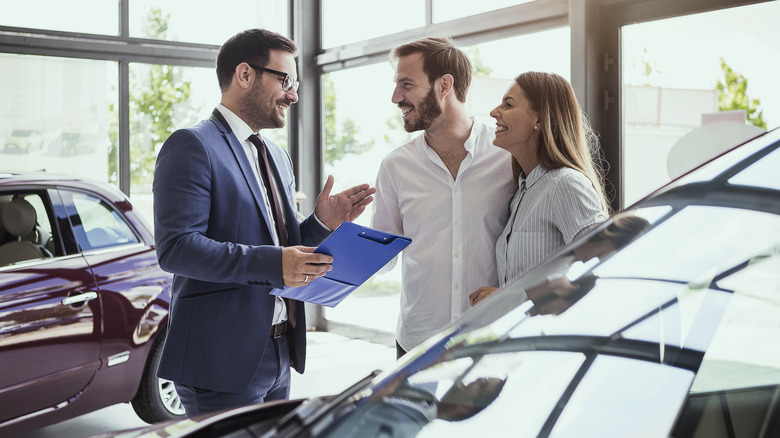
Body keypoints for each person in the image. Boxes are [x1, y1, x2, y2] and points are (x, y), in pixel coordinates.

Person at [152, 28, 376, 416]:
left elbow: (280, 244)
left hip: (278, 350)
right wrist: (275, 264)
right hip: (221, 359)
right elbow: (177, 248)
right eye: (284, 80)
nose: (293, 94)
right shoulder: (192, 145)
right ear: (245, 75)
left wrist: (321, 223)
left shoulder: (275, 155)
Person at [371, 38, 516, 358]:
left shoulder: (507, 157)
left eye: (406, 85)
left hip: (490, 337)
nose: (396, 97)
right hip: (417, 342)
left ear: (444, 85)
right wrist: (334, 232)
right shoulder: (396, 166)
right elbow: (381, 258)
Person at [470, 71, 609, 307]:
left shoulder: (565, 185)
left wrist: (510, 297)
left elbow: (601, 269)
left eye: (508, 104)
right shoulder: (522, 191)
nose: (494, 112)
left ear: (540, 120)